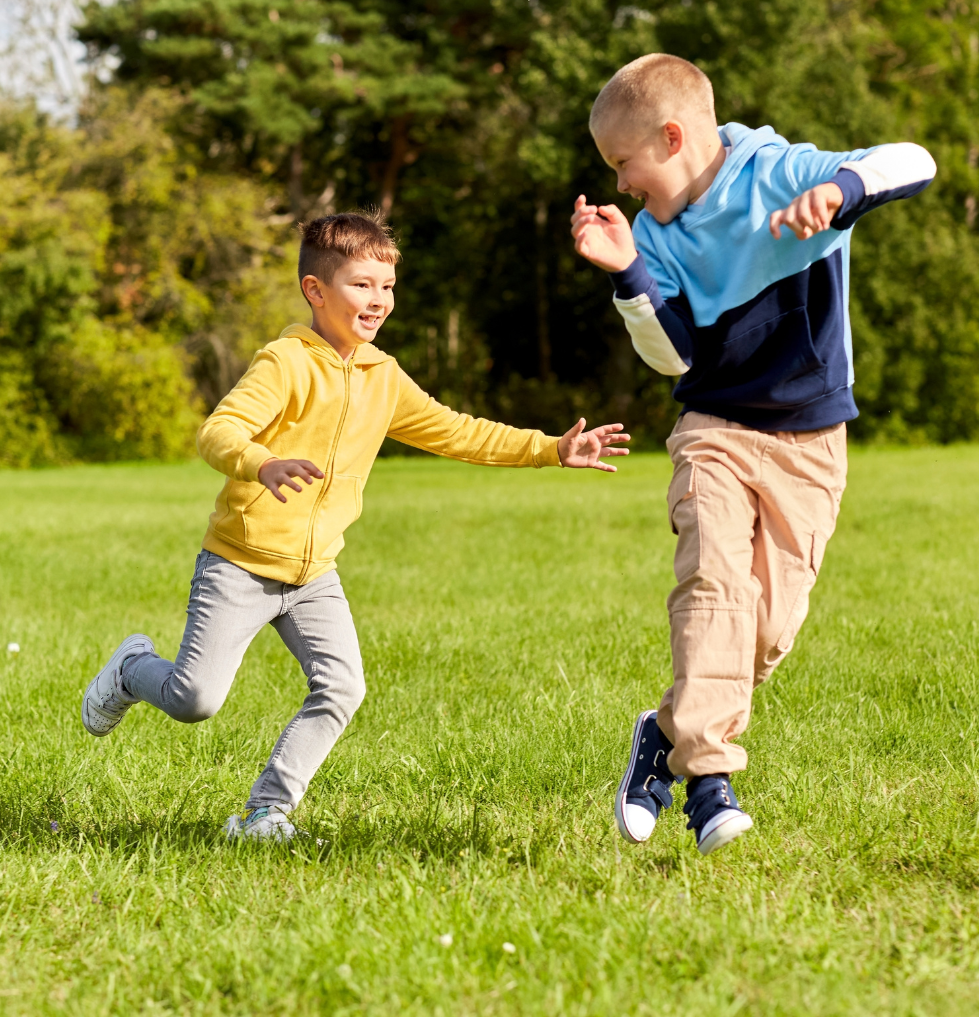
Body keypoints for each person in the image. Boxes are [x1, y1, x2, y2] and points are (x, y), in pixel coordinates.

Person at [82, 209, 630, 841]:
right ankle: (131, 670)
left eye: (388, 286)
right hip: (242, 561)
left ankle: (266, 812)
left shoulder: (383, 376)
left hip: (315, 574)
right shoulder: (285, 362)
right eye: (362, 285)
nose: (379, 300)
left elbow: (456, 430)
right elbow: (218, 430)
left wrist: (549, 449)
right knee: (194, 700)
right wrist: (262, 462)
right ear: (316, 290)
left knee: (341, 688)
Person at [571, 53, 935, 855]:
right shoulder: (655, 239)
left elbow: (914, 161)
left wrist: (840, 192)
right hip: (716, 429)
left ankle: (660, 735)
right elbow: (673, 357)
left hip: (811, 441)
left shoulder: (780, 169)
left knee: (763, 634)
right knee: (714, 586)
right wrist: (628, 269)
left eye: (623, 164)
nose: (622, 185)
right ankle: (709, 785)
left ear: (671, 138)